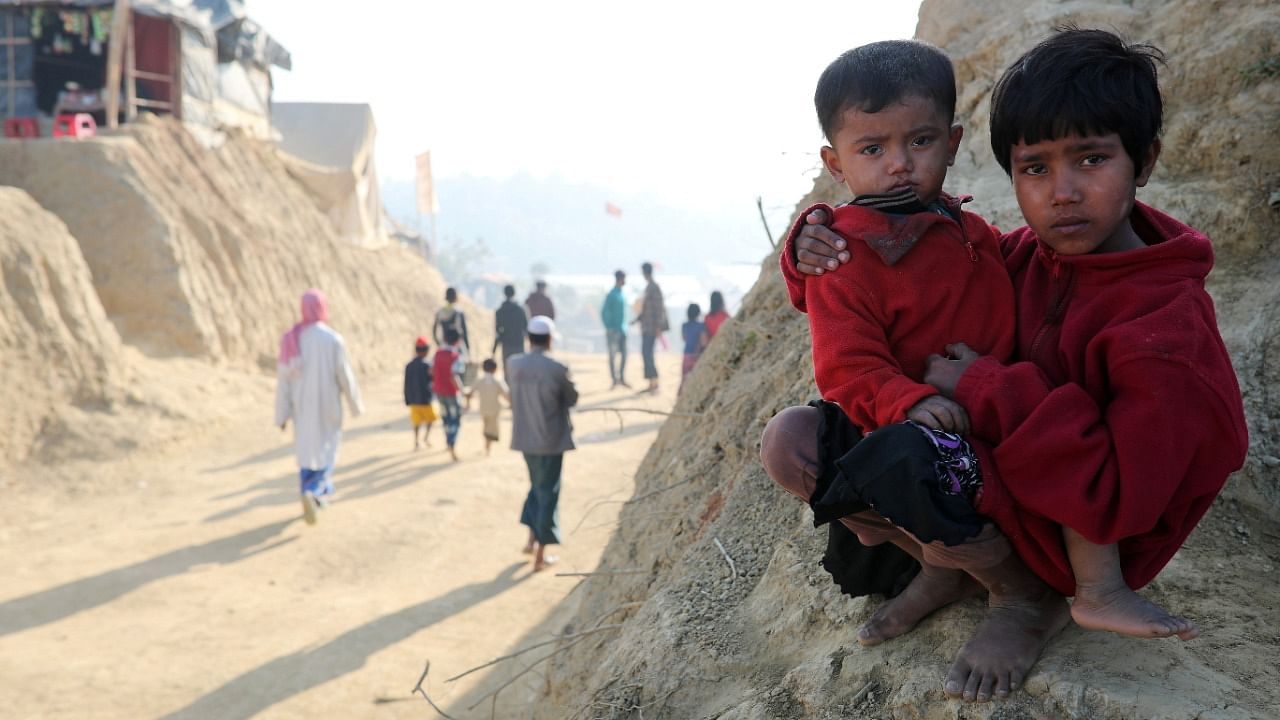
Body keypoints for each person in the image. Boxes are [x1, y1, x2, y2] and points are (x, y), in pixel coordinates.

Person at [769, 30, 1249, 702]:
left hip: (1085, 545)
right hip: (997, 484)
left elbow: (1118, 497)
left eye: (1091, 159)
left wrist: (988, 388)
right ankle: (943, 562)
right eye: (1035, 169)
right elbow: (905, 277)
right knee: (795, 440)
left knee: (904, 458)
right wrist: (812, 247)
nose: (1063, 192)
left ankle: (1024, 600)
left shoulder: (1164, 332)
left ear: (1144, 161)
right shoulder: (1019, 255)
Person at [274, 289, 364, 525]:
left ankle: (311, 492)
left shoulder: (291, 340)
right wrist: (355, 405)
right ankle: (314, 491)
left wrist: (281, 414)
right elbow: (344, 375)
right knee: (327, 449)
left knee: (306, 453)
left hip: (301, 408)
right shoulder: (332, 339)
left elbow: (284, 382)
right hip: (328, 405)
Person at [508, 315, 578, 572]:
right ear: (549, 339)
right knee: (548, 492)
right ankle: (540, 556)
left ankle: (531, 539)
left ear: (529, 338)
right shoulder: (557, 369)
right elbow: (572, 398)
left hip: (525, 440)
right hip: (550, 440)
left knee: (537, 486)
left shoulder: (513, 364)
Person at [632, 261, 668, 393]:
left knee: (648, 354)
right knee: (646, 354)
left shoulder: (654, 287)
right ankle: (651, 383)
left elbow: (658, 309)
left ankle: (654, 383)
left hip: (651, 328)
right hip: (647, 327)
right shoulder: (649, 287)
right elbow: (646, 310)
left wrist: (658, 327)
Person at [433, 328, 466, 462]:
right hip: (452, 393)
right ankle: (452, 442)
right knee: (455, 419)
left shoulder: (437, 354)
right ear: (457, 341)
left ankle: (448, 441)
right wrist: (463, 391)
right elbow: (454, 377)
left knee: (445, 417)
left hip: (439, 391)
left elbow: (431, 371)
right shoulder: (455, 357)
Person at [467, 358, 509, 456]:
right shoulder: (497, 381)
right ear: (495, 369)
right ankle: (487, 448)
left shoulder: (479, 380)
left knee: (486, 427)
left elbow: (470, 392)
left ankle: (486, 446)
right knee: (491, 428)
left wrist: (467, 404)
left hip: (483, 409)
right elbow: (506, 394)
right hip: (494, 409)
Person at [403, 336, 436, 450]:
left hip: (414, 400)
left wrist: (407, 398)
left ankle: (416, 441)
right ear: (426, 351)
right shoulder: (428, 365)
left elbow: (406, 384)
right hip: (426, 399)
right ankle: (426, 437)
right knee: (431, 419)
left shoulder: (409, 365)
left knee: (416, 422)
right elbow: (433, 380)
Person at [601, 269, 630, 389]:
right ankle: (614, 380)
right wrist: (609, 327)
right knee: (613, 356)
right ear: (620, 279)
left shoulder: (621, 294)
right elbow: (604, 312)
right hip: (613, 330)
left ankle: (621, 378)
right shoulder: (612, 294)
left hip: (623, 329)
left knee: (624, 355)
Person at [492, 284, 527, 381]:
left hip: (506, 346)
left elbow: (498, 332)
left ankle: (509, 394)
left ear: (504, 294)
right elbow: (526, 328)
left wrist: (493, 350)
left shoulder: (500, 311)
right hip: (519, 344)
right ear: (514, 293)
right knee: (520, 372)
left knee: (507, 372)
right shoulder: (521, 310)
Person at [679, 303, 708, 394]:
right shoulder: (701, 326)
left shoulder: (684, 325)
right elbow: (704, 341)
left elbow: (684, 338)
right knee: (695, 377)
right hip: (696, 355)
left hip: (687, 354)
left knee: (684, 377)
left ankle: (681, 396)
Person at [433, 287, 470, 353]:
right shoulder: (459, 312)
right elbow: (465, 332)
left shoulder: (440, 312)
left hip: (443, 345)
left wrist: (438, 343)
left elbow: (434, 331)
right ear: (455, 297)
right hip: (457, 347)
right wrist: (467, 348)